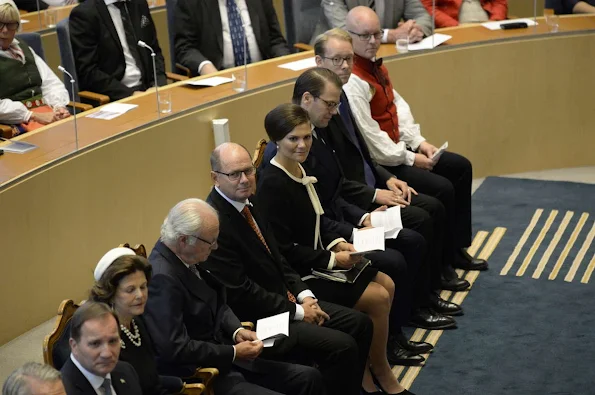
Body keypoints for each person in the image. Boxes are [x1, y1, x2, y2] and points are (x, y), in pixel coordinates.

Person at [258, 103, 420, 395]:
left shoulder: (298, 167)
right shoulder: (271, 184)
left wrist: (338, 243)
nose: (302, 144)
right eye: (293, 139)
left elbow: (317, 221)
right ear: (276, 142)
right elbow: (285, 252)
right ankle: (374, 375)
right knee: (379, 297)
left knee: (388, 283)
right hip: (300, 276)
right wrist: (334, 258)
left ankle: (373, 367)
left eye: (306, 137)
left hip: (319, 257)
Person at [311, 28, 471, 297]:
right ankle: (426, 295)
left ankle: (438, 276)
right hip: (355, 201)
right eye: (336, 60)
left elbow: (363, 153)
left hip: (370, 184)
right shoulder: (321, 111)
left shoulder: (343, 96)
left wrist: (387, 178)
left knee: (434, 201)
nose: (345, 66)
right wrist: (374, 197)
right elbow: (337, 183)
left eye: (349, 59)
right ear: (319, 62)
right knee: (424, 215)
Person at [203, 142, 373, 395]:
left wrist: (306, 296)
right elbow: (242, 292)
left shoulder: (250, 201)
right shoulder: (214, 221)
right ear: (215, 177)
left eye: (248, 171)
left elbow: (279, 258)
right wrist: (299, 312)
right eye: (234, 174)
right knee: (343, 345)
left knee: (360, 323)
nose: (244, 179)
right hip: (260, 320)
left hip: (288, 301)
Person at [343, 7, 488, 273]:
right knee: (442, 188)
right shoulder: (352, 79)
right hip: (386, 162)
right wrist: (412, 158)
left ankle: (456, 248)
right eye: (365, 36)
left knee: (460, 167)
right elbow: (372, 141)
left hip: (400, 148)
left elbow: (398, 107)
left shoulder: (375, 65)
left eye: (377, 34)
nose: (373, 41)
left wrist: (419, 142)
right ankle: (441, 264)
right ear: (349, 36)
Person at [143, 198, 326, 395]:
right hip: (207, 374)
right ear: (183, 240)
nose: (215, 248)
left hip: (228, 356)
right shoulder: (162, 278)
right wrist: (233, 352)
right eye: (210, 241)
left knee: (309, 378)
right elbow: (175, 348)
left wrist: (236, 331)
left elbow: (218, 300)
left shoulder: (185, 252)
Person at [91, 248, 171, 395]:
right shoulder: (104, 339)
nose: (140, 295)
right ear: (111, 293)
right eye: (130, 290)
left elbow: (152, 381)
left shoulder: (138, 322)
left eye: (143, 287)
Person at [69, 0, 167, 100]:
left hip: (148, 89)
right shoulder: (85, 13)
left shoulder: (138, 3)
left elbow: (154, 51)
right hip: (114, 95)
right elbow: (88, 72)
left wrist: (158, 85)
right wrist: (130, 94)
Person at [0, 0, 70, 135]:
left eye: (10, 24)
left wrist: (58, 107)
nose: (5, 30)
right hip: (15, 123)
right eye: (0, 24)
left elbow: (50, 83)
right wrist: (32, 115)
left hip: (47, 113)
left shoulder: (23, 48)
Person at [173, 0, 290, 76]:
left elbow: (275, 39)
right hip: (219, 77)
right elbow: (185, 47)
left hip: (263, 73)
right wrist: (205, 66)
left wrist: (285, 61)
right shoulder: (190, 3)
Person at [61, 301, 143, 395]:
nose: (107, 354)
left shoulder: (127, 372)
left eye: (112, 341)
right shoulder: (61, 391)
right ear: (74, 346)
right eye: (95, 343)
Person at [319, 0, 431, 44]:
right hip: (338, 57)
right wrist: (389, 36)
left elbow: (422, 15)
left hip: (384, 54)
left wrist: (415, 30)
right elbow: (344, 32)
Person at [420, 0, 507, 27]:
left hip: (490, 26)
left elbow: (499, 2)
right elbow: (428, 7)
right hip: (454, 28)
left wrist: (495, 20)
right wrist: (455, 26)